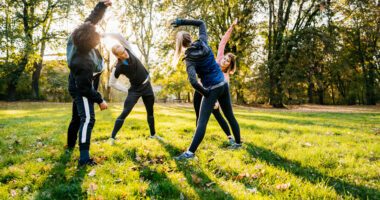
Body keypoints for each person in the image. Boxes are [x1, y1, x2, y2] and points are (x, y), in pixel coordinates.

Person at [171, 18, 242, 160]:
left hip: (212, 88)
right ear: (190, 37)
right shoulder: (203, 41)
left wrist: (205, 93)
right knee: (229, 115)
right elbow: (202, 23)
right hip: (223, 84)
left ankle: (190, 153)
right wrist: (181, 22)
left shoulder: (190, 59)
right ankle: (238, 143)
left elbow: (193, 81)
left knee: (202, 122)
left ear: (181, 45)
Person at [66, 0, 111, 166]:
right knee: (87, 119)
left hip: (76, 82)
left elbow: (90, 21)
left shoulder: (77, 35)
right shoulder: (83, 62)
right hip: (81, 88)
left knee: (77, 116)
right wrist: (100, 100)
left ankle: (70, 145)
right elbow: (85, 89)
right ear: (90, 45)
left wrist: (101, 6)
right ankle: (84, 158)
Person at [105, 34, 162, 144]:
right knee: (125, 112)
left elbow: (120, 37)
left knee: (150, 112)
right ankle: (112, 138)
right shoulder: (118, 67)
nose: (125, 52)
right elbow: (111, 83)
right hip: (135, 90)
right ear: (118, 56)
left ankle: (153, 135)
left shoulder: (128, 49)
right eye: (122, 53)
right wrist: (126, 90)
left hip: (147, 86)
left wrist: (108, 34)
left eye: (124, 50)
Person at [193, 19, 238, 145]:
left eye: (227, 61)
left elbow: (222, 91)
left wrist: (217, 102)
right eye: (225, 58)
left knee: (218, 115)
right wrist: (231, 27)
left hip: (212, 93)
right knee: (198, 114)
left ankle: (230, 137)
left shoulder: (225, 76)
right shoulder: (218, 59)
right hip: (200, 88)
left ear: (230, 65)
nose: (224, 60)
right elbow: (223, 42)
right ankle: (197, 138)